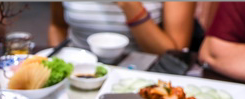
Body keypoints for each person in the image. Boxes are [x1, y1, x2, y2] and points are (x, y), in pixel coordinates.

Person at [48, 2, 197, 55]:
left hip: (141, 77)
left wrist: (131, 7)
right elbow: (57, 26)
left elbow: (176, 54)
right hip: (79, 72)